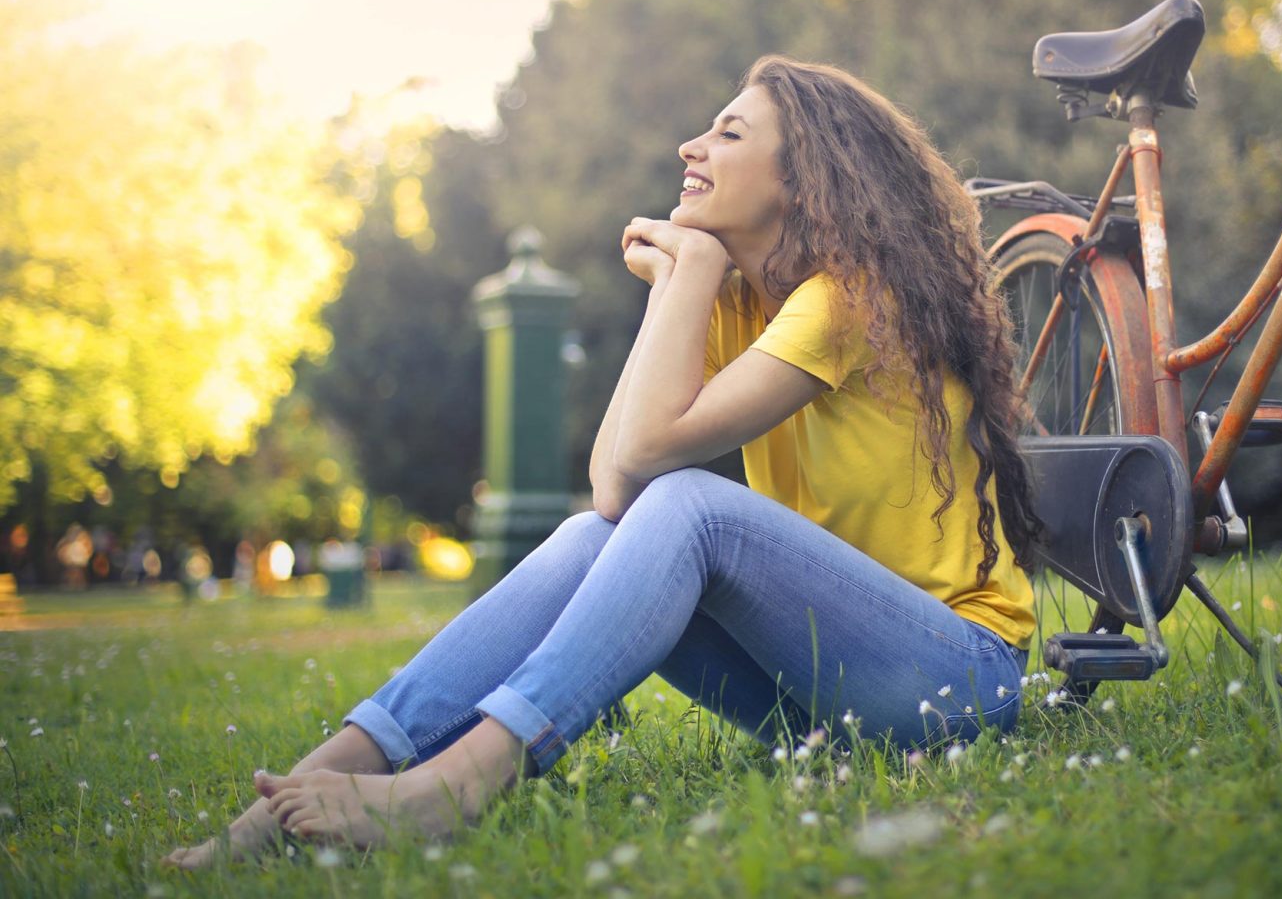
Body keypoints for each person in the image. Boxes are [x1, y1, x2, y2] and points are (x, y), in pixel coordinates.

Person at [164, 56, 1041, 866]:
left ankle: (462, 780)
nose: (692, 147)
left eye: (730, 134)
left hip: (954, 679)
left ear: (802, 177)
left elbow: (659, 467)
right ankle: (299, 792)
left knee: (695, 505)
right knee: (594, 538)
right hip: (823, 696)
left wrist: (685, 268)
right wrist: (687, 277)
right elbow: (618, 488)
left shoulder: (847, 301)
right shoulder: (745, 300)